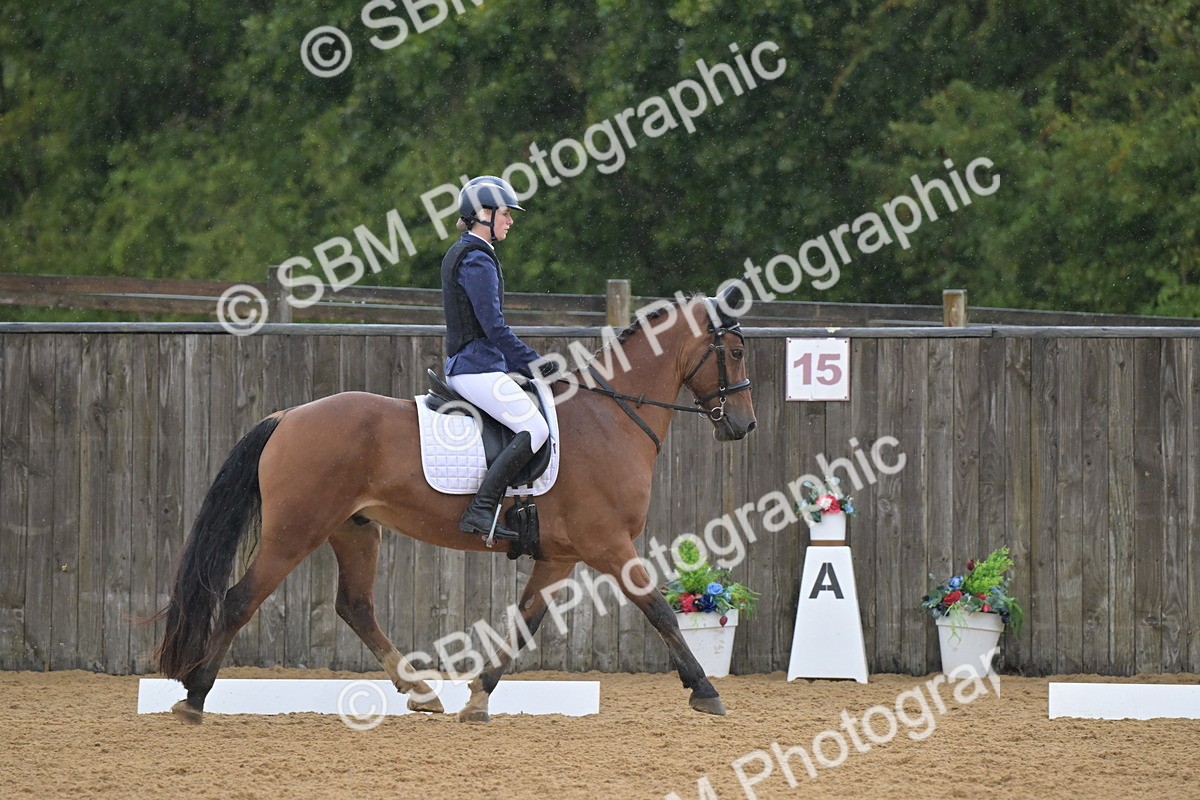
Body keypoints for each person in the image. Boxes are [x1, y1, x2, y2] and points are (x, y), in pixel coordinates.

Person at [441, 175, 550, 541]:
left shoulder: (470, 252)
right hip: (476, 367)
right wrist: (533, 361)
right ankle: (481, 509)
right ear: (483, 214)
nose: (510, 221)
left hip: (477, 365)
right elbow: (494, 328)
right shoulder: (476, 259)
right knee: (535, 429)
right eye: (505, 213)